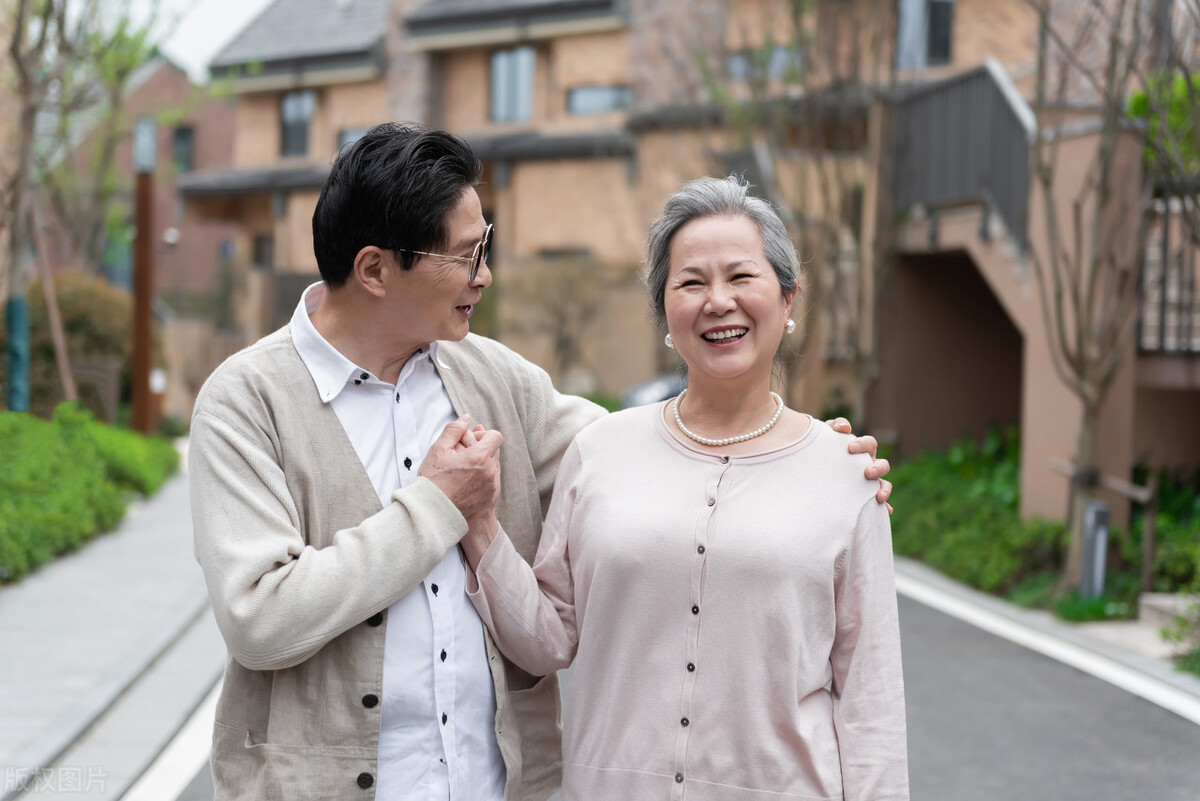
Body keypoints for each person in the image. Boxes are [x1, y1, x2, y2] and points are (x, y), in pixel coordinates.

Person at [189, 124, 894, 801]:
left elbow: (654, 459)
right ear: (375, 268)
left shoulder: (499, 380)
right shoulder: (249, 401)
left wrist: (793, 455)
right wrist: (438, 505)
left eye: (484, 246)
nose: (485, 274)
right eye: (466, 256)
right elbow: (261, 617)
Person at [461, 175, 909, 801]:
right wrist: (478, 524)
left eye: (741, 277)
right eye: (692, 282)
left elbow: (871, 700)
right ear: (664, 312)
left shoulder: (846, 475)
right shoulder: (600, 452)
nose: (718, 301)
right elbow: (547, 638)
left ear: (788, 300)